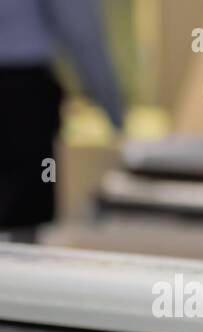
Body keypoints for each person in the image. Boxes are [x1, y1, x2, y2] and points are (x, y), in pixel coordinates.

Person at [0, 0, 125, 241]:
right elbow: (82, 31)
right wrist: (114, 111)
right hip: (21, 95)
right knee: (23, 216)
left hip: (20, 92)